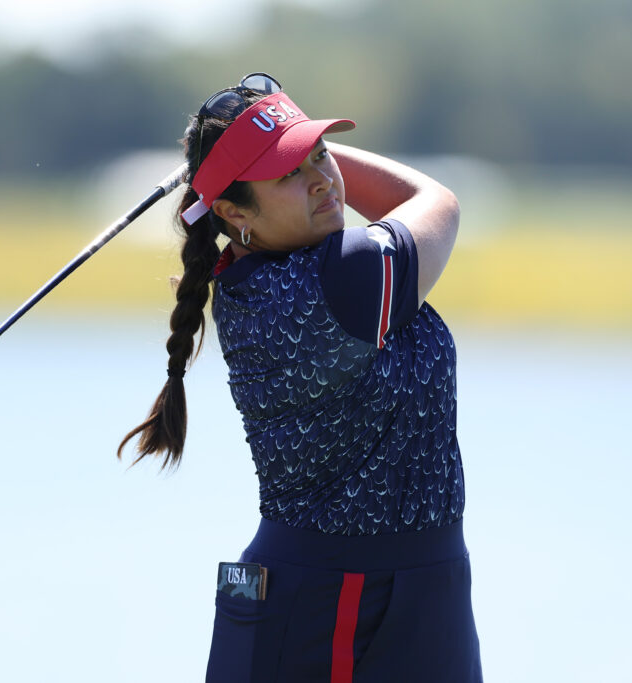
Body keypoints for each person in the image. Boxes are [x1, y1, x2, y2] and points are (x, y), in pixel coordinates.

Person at [119, 73, 483, 682]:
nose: (323, 178)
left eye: (321, 155)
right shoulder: (337, 280)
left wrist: (268, 151)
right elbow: (436, 200)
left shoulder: (261, 267)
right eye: (290, 172)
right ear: (235, 212)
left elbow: (385, 208)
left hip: (427, 585)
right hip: (322, 600)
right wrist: (275, 149)